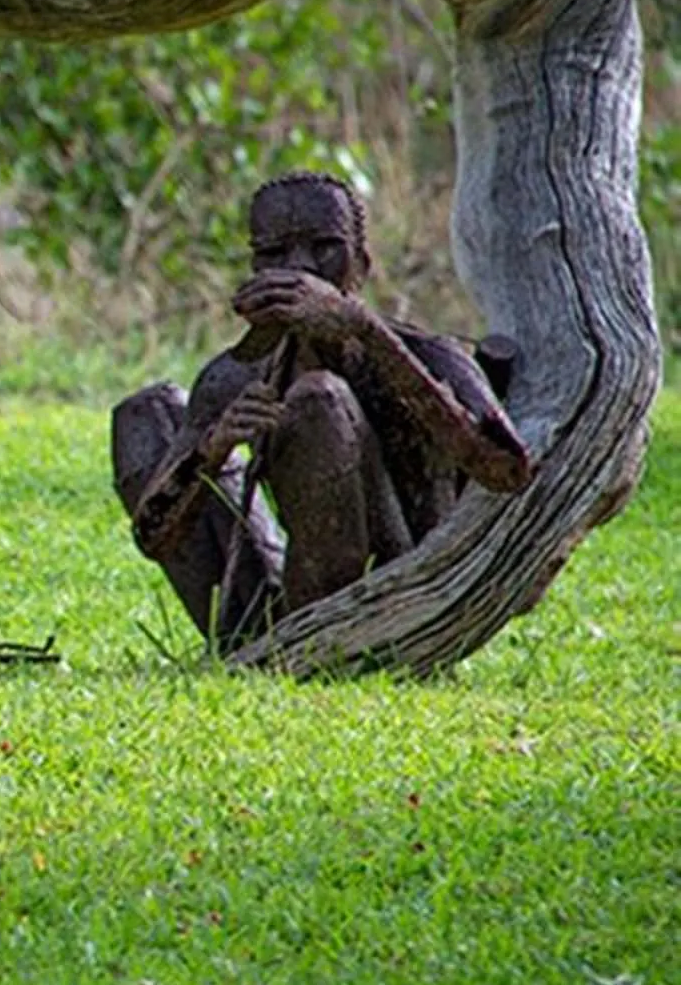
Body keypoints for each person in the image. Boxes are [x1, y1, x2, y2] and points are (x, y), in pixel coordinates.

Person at [111, 172, 535, 647]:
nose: (301, 270)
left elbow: (508, 471)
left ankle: (328, 639)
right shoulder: (235, 375)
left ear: (363, 264)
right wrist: (214, 447)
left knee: (319, 400)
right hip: (291, 604)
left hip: (399, 606)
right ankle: (273, 637)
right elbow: (155, 539)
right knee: (145, 416)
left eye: (324, 248)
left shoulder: (427, 354)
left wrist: (367, 333)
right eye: (274, 254)